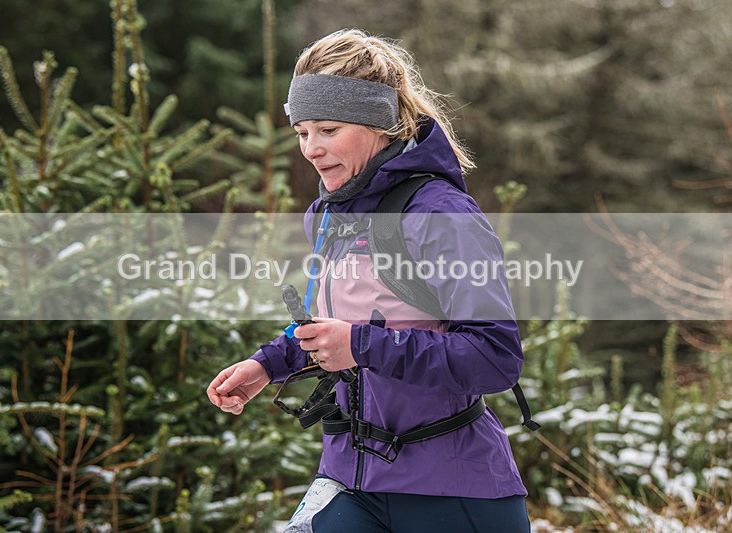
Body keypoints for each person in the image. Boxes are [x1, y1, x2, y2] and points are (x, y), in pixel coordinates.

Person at [207, 29, 532, 532]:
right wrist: (267, 364)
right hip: (349, 481)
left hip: (451, 490)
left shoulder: (440, 214)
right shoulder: (327, 216)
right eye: (302, 132)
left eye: (329, 130)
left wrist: (362, 346)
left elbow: (495, 359)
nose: (311, 150)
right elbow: (330, 332)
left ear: (379, 123)